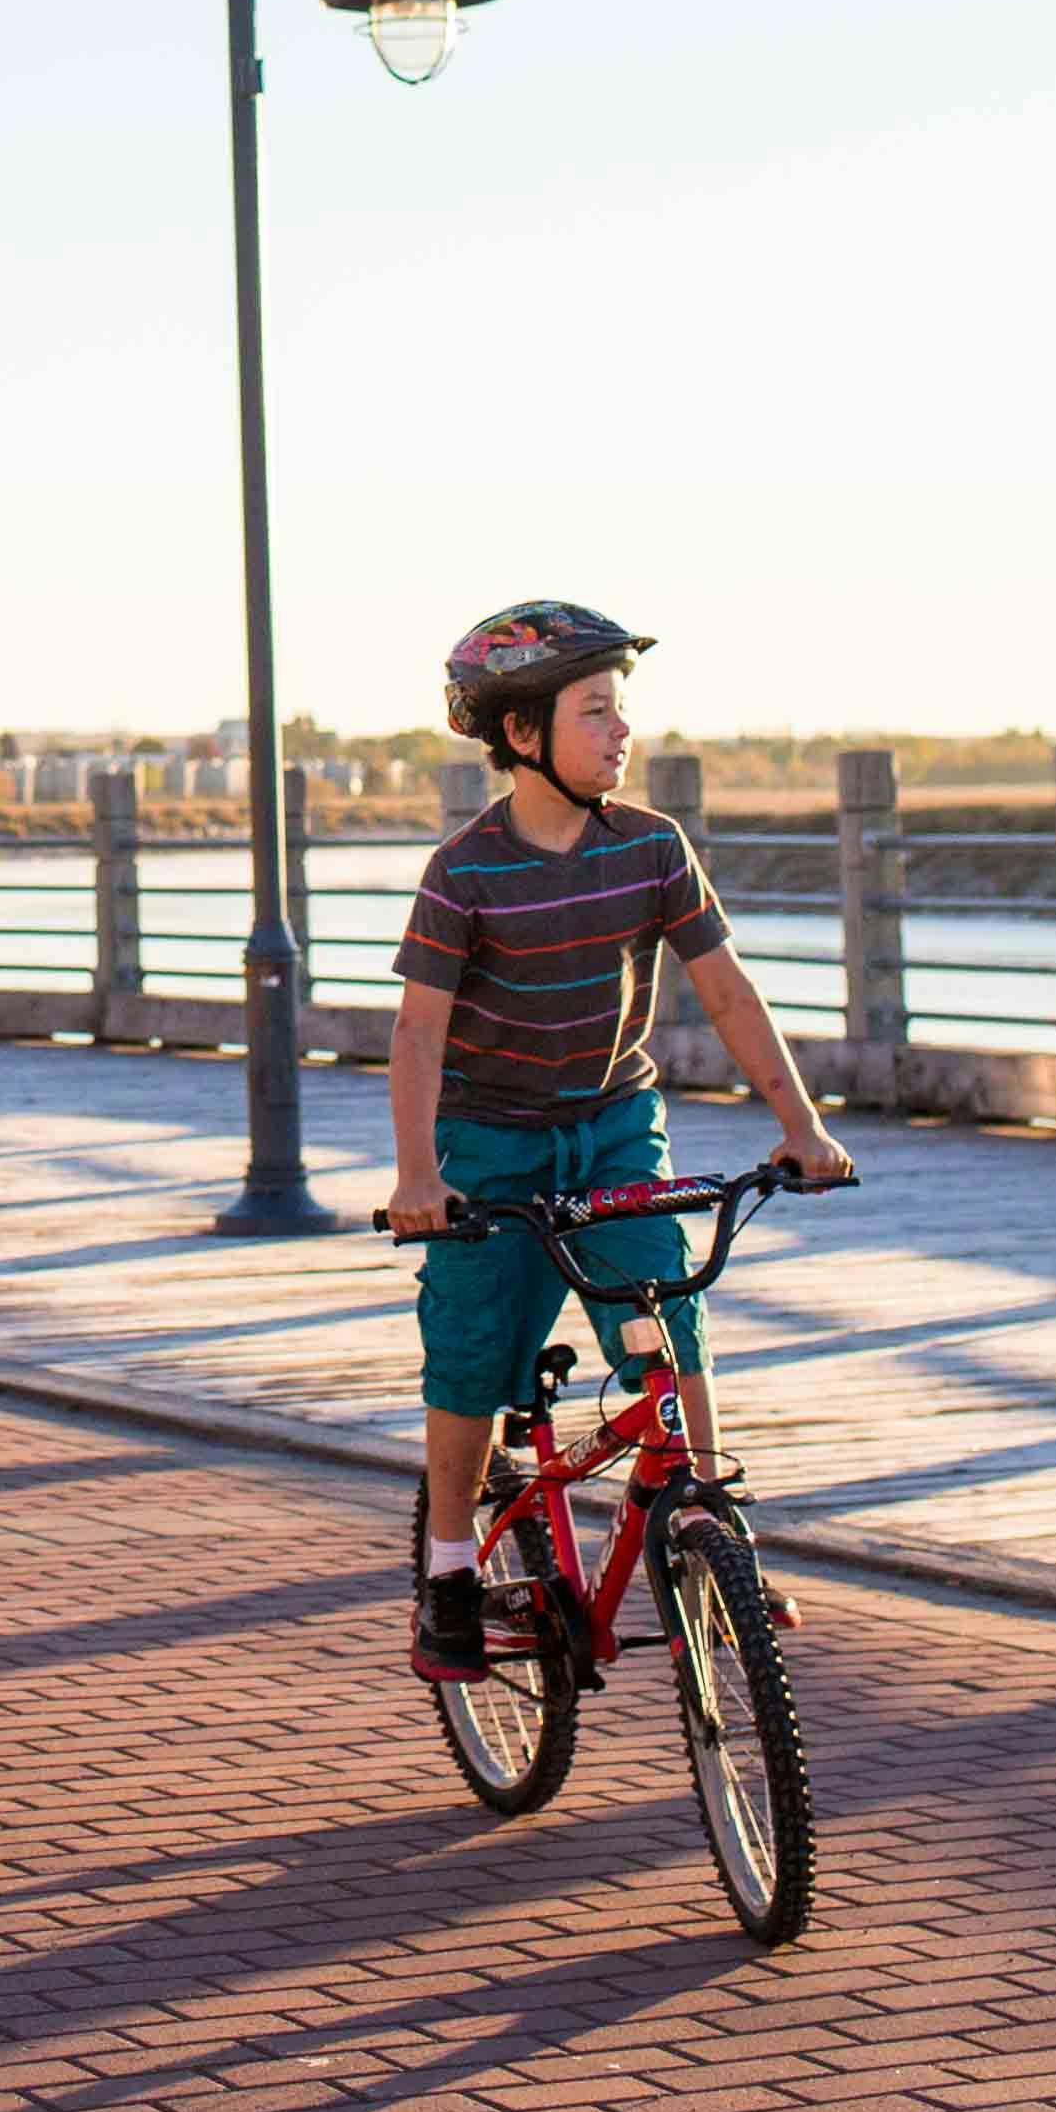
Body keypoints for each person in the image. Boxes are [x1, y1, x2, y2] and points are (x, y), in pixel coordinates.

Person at [384, 601, 853, 1685]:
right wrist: (420, 1175)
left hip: (612, 1128)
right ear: (520, 735)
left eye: (621, 710)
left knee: (665, 1317)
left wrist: (801, 1126)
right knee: (467, 1353)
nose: (619, 729)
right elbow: (417, 1031)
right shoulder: (466, 871)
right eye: (593, 710)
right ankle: (451, 1568)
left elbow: (725, 991)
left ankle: (710, 1527)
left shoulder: (650, 845)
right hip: (486, 1141)